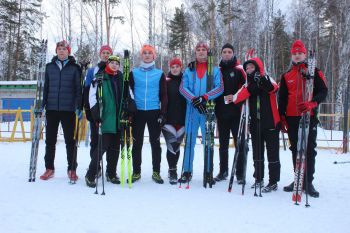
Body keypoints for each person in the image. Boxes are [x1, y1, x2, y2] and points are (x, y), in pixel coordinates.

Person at [278, 39, 328, 198]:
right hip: (292, 117)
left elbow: (323, 91)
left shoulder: (314, 72)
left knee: (308, 149)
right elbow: (283, 97)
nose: (297, 56)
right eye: (294, 53)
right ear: (291, 56)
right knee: (295, 149)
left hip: (309, 115)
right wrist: (282, 116)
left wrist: (313, 103)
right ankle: (298, 178)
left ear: (304, 54)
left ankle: (308, 181)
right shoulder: (286, 75)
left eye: (300, 53)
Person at [233, 57, 281, 192]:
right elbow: (237, 98)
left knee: (273, 154)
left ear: (258, 67)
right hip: (255, 124)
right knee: (257, 154)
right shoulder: (247, 84)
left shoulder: (267, 78)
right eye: (246, 68)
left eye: (251, 67)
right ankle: (258, 178)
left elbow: (274, 88)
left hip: (271, 122)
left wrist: (261, 81)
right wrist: (251, 87)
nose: (249, 70)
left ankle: (273, 181)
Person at [178, 41, 224, 183]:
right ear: (195, 52)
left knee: (208, 142)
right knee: (189, 141)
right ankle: (187, 171)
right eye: (198, 49)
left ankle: (208, 171)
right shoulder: (189, 70)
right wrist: (193, 99)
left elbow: (220, 88)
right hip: (192, 110)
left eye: (204, 49)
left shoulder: (215, 70)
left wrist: (205, 97)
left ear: (207, 52)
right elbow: (182, 88)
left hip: (207, 110)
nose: (201, 51)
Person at [40, 40, 82, 181]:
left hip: (68, 110)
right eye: (59, 48)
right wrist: (42, 104)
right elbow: (45, 88)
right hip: (52, 108)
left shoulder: (75, 68)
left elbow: (78, 89)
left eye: (64, 48)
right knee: (50, 140)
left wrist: (78, 106)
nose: (62, 51)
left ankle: (72, 169)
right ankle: (49, 168)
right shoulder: (49, 67)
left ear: (68, 51)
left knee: (70, 141)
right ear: (56, 51)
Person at [129, 44, 168, 184]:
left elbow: (164, 95)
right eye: (144, 53)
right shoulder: (134, 72)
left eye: (149, 53)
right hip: (138, 112)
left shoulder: (159, 73)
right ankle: (136, 172)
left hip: (153, 111)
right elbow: (129, 93)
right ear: (141, 55)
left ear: (154, 56)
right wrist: (129, 111)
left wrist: (163, 113)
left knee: (155, 143)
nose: (146, 55)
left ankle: (156, 172)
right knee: (137, 143)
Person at [85, 55, 124, 187]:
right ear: (107, 64)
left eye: (117, 63)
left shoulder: (121, 78)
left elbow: (128, 94)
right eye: (112, 63)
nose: (114, 65)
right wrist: (96, 114)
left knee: (115, 149)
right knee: (101, 148)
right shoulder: (100, 77)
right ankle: (90, 174)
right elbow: (92, 97)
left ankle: (111, 173)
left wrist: (130, 108)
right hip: (105, 118)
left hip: (118, 119)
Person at [214, 43, 246, 183]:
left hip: (237, 113)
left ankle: (240, 173)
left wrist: (235, 97)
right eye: (224, 52)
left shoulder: (239, 69)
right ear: (221, 54)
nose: (226, 54)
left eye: (229, 52)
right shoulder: (217, 70)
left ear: (233, 53)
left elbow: (246, 88)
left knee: (240, 143)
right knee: (223, 144)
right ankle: (223, 171)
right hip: (221, 113)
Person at [83, 45, 113, 176]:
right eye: (104, 53)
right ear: (100, 54)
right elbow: (87, 91)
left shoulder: (114, 68)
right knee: (95, 140)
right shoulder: (92, 71)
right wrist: (89, 111)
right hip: (96, 112)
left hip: (110, 113)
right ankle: (96, 167)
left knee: (108, 142)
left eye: (108, 53)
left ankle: (110, 169)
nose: (105, 55)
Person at [161, 58, 186, 184]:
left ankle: (175, 168)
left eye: (177, 66)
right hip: (168, 119)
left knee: (177, 146)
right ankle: (172, 171)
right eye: (172, 66)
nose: (175, 68)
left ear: (181, 67)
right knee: (171, 146)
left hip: (182, 119)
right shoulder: (165, 81)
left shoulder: (186, 80)